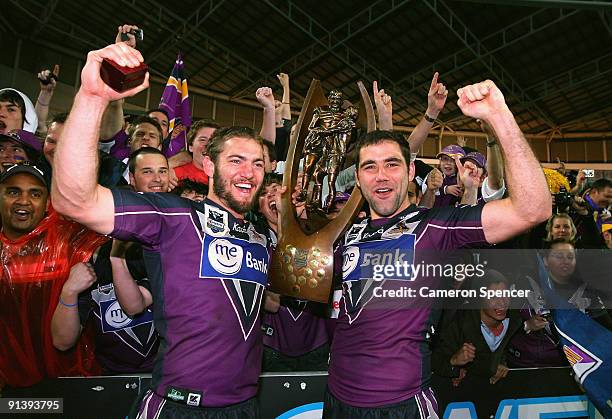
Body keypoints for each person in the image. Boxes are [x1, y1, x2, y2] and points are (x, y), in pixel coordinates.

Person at [52, 43, 274, 417]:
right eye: (235, 160)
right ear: (207, 165)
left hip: (244, 408)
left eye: (257, 164)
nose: (248, 173)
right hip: (177, 407)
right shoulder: (174, 216)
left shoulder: (261, 238)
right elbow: (74, 200)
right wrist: (91, 97)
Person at [324, 79, 551, 418]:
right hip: (336, 400)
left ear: (411, 170)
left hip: (401, 404)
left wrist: (500, 117)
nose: (381, 176)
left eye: (392, 164)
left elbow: (533, 208)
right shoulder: (342, 234)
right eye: (369, 167)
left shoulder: (435, 226)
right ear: (357, 177)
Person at [51, 147, 169, 373]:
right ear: (132, 179)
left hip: (167, 373)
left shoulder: (179, 238)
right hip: (110, 379)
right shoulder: (94, 251)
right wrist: (69, 292)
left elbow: (135, 306)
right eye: (148, 172)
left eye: (163, 171)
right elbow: (62, 341)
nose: (157, 179)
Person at [0, 163, 107, 389]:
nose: (23, 201)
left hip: (67, 383)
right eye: (13, 191)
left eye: (35, 193)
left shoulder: (71, 242)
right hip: (7, 387)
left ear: (48, 202)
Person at [432, 271, 522, 386]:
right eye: (493, 296)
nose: (502, 302)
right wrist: (454, 362)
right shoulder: (458, 322)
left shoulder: (514, 320)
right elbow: (433, 359)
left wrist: (502, 364)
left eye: (505, 295)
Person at [172, 119, 219, 185]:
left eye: (213, 140)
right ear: (191, 147)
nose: (208, 145)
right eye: (203, 140)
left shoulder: (227, 176)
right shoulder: (175, 176)